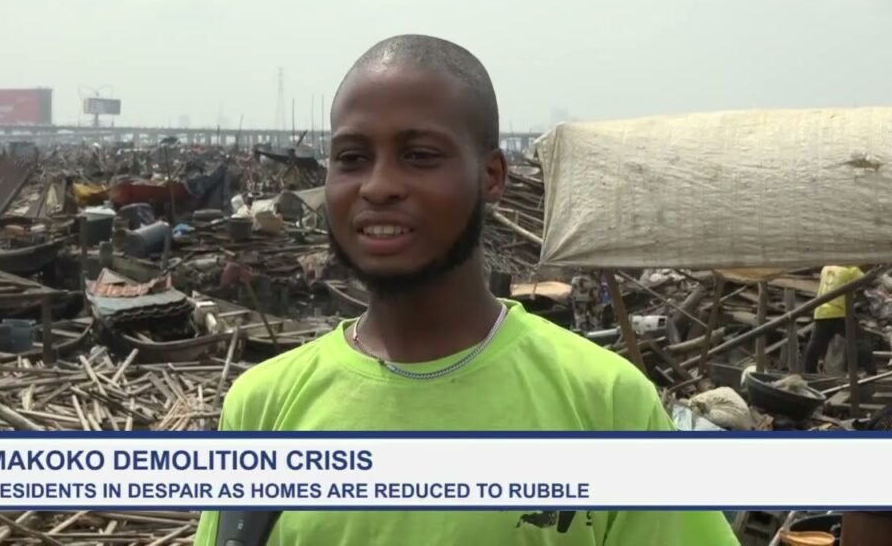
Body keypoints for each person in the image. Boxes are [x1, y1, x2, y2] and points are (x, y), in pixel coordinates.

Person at [194, 34, 738, 546]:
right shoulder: (263, 408)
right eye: (352, 158)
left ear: (492, 176)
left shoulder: (605, 405)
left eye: (420, 155)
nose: (378, 186)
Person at [802, 265, 877, 376]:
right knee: (861, 340)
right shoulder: (851, 270)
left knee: (815, 345)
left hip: (822, 312)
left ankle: (808, 372)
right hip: (840, 313)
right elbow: (868, 280)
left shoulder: (826, 268)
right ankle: (870, 371)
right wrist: (875, 273)